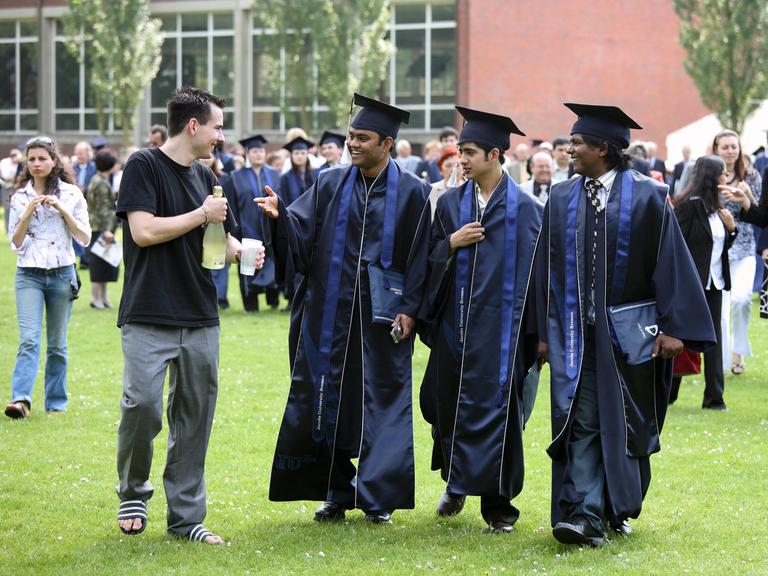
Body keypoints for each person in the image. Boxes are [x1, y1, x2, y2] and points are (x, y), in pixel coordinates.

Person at [533, 103, 716, 547]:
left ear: (604, 148)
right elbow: (545, 269)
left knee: (631, 423)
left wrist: (675, 329)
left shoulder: (649, 197)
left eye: (577, 143)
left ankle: (615, 507)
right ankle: (585, 514)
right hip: (576, 335)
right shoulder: (560, 197)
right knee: (581, 417)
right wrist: (541, 331)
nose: (569, 149)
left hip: (632, 334)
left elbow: (670, 262)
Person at [258, 93, 431, 525]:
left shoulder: (414, 193)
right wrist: (281, 219)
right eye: (350, 136)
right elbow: (302, 234)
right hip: (328, 318)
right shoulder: (330, 183)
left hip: (383, 322)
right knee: (325, 398)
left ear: (386, 144)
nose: (352, 144)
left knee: (384, 402)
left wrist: (410, 308)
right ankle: (335, 491)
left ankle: (378, 498)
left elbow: (422, 257)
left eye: (362, 137)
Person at [114, 86, 263, 544]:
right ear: (194, 125)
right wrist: (201, 214)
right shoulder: (143, 165)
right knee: (141, 404)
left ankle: (186, 519)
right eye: (217, 126)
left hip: (200, 314)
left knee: (194, 417)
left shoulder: (207, 175)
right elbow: (142, 232)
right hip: (149, 311)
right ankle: (134, 491)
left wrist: (244, 251)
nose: (222, 135)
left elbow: (221, 236)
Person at [419, 106, 542, 533]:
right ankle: (455, 483)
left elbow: (541, 279)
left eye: (469, 152)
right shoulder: (451, 205)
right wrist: (450, 244)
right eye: (459, 151)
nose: (461, 160)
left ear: (494, 154)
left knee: (500, 418)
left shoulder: (527, 210)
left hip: (504, 337)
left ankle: (499, 508)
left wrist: (538, 336)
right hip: (455, 328)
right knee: (449, 409)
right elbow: (425, 261)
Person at [5, 136, 91, 419]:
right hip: (28, 275)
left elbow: (84, 237)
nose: (36, 164)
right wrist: (27, 213)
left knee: (57, 344)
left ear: (54, 161)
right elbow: (15, 244)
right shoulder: (19, 198)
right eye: (31, 159)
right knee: (29, 340)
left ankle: (56, 403)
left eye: (42, 158)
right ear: (26, 164)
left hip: (62, 275)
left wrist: (62, 210)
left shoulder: (71, 194)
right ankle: (21, 400)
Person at [670, 156, 737, 409]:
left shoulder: (719, 209)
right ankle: (668, 393)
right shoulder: (687, 206)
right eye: (723, 173)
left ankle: (714, 397)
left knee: (713, 341)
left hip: (715, 284)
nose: (726, 177)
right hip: (690, 285)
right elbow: (676, 245)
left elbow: (717, 247)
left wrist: (731, 230)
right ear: (711, 176)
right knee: (679, 338)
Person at [712, 130, 762, 376]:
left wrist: (745, 195)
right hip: (717, 250)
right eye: (725, 147)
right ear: (716, 149)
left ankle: (738, 351)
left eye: (734, 146)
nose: (730, 151)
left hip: (744, 247)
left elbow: (760, 211)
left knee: (742, 300)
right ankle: (721, 363)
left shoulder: (751, 175)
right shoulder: (709, 174)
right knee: (720, 312)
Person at [223, 134, 281, 311]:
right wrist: (234, 231)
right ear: (248, 153)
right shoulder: (235, 176)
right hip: (247, 228)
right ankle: (250, 304)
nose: (258, 154)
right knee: (248, 265)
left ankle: (273, 302)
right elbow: (232, 204)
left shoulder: (273, 174)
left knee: (272, 263)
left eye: (261, 151)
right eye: (254, 151)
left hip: (270, 229)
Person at [86, 150, 120, 309]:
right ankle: (96, 298)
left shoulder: (98, 180)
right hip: (100, 228)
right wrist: (107, 230)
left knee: (105, 264)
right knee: (98, 265)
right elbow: (102, 209)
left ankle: (103, 298)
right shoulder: (101, 183)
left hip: (100, 227)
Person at [427, 146, 464, 218]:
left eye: (457, 165)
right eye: (448, 166)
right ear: (440, 170)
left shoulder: (472, 188)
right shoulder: (431, 190)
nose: (453, 170)